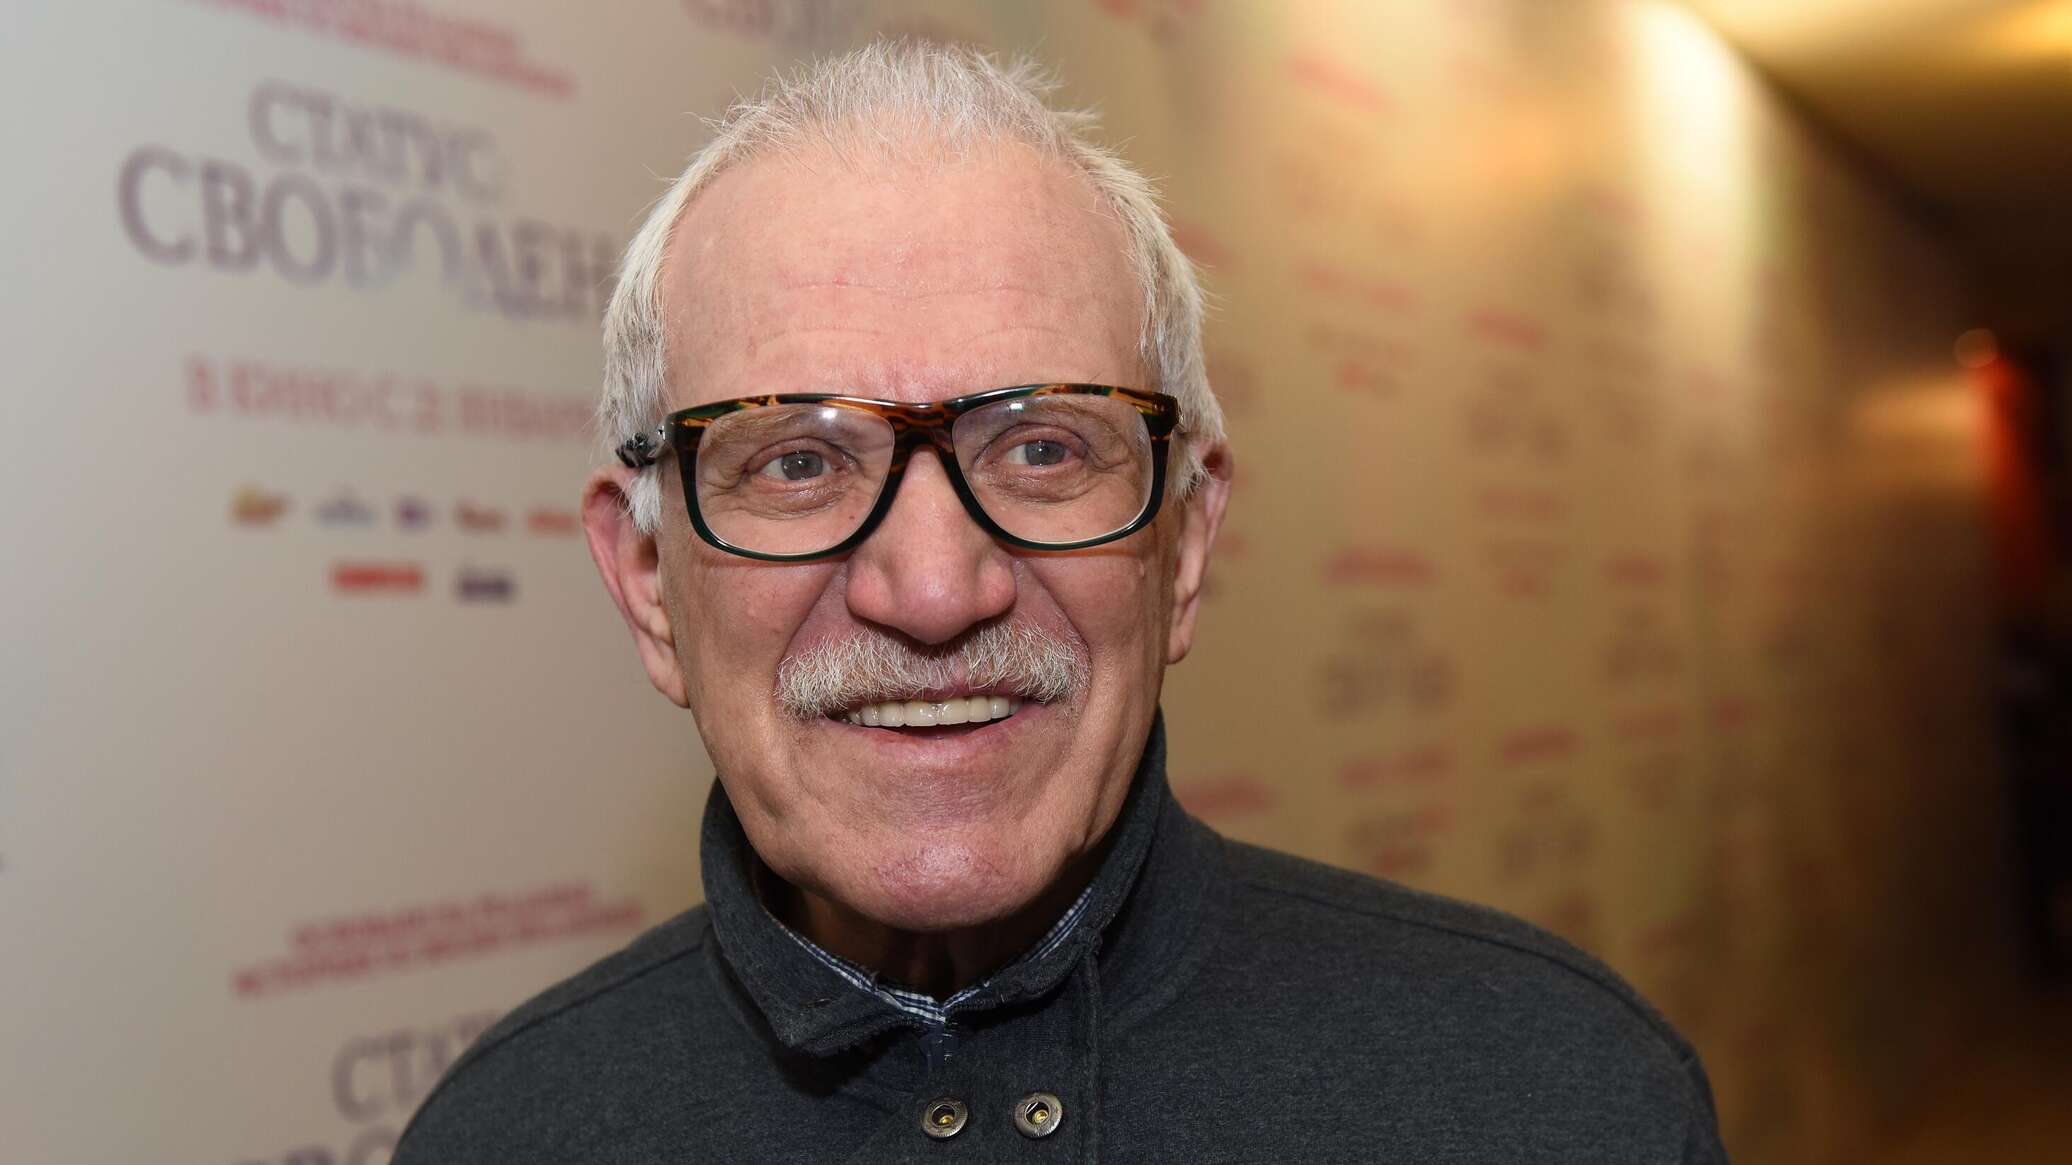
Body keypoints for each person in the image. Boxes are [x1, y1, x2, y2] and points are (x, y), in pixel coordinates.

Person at [395, 40, 1729, 1163]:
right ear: (646, 583)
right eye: (796, 462)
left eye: (1041, 449)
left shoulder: (1563, 1101)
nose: (933, 590)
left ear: (1186, 542)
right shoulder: (502, 1139)